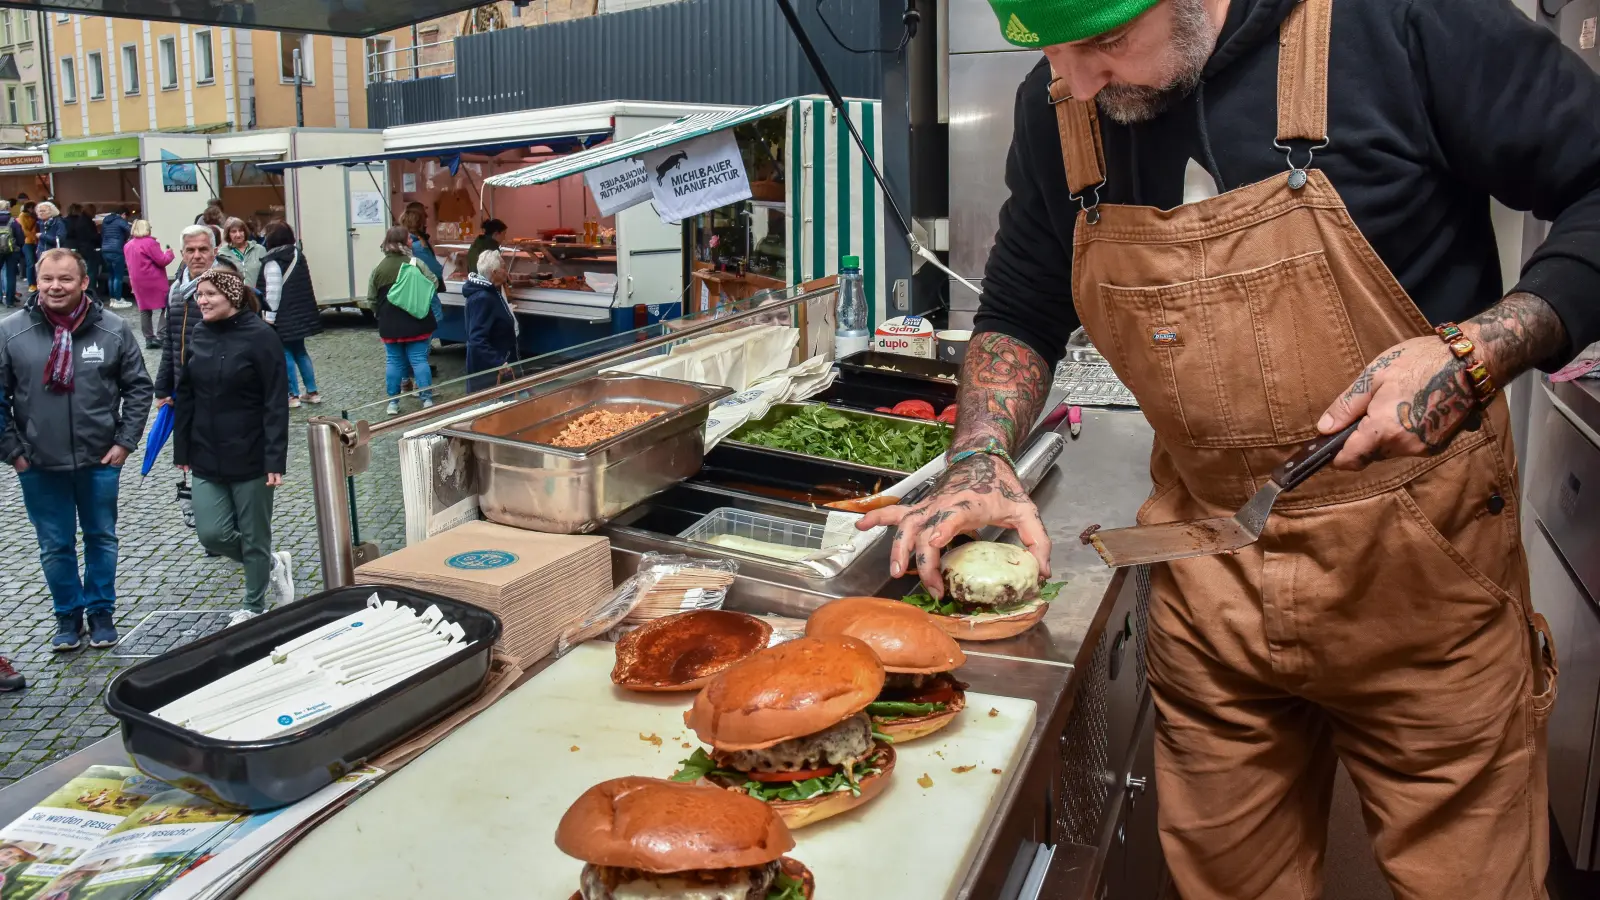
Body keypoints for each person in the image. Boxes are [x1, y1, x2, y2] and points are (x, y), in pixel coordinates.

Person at [868, 1, 1600, 896]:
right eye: (1050, 53)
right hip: (1211, 589)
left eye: (1102, 44)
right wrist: (981, 460)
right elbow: (1021, 306)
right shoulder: (1061, 102)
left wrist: (1479, 351)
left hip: (1424, 586)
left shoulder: (1401, 24)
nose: (1074, 82)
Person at [0, 248, 153, 651]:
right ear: (37, 281)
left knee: (101, 537)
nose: (55, 286)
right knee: (55, 545)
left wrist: (124, 442)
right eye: (47, 278)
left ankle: (101, 612)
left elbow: (138, 386)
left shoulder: (113, 329)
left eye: (65, 279)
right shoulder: (12, 330)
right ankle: (67, 616)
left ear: (84, 282)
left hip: (99, 458)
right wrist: (13, 450)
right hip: (37, 462)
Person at [174, 267, 291, 626]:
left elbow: (275, 401)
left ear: (233, 297)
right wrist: (182, 450)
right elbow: (187, 392)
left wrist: (275, 458)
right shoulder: (198, 332)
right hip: (206, 451)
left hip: (252, 453)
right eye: (199, 295)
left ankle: (253, 606)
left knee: (255, 535)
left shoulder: (261, 336)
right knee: (212, 532)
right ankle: (272, 563)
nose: (202, 301)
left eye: (210, 294)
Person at [369, 225, 437, 416]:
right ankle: (427, 399)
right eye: (408, 239)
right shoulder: (415, 263)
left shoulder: (379, 269)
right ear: (401, 243)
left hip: (390, 324)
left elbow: (371, 299)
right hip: (417, 321)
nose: (411, 242)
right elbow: (433, 283)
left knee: (394, 362)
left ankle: (393, 402)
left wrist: (381, 315)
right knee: (419, 360)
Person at [257, 222, 323, 408]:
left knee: (285, 354)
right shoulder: (297, 255)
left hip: (283, 317)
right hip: (300, 314)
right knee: (301, 352)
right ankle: (312, 391)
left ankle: (292, 395)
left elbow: (273, 292)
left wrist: (269, 318)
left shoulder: (273, 260)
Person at [155, 225, 220, 409]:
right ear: (183, 254)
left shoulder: (226, 290)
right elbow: (170, 341)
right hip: (182, 390)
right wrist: (162, 390)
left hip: (217, 393)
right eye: (190, 250)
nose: (196, 255)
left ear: (214, 252)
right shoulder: (176, 290)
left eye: (203, 249)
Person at [463, 248, 518, 392]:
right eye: (504, 268)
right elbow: (477, 338)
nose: (506, 272)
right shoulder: (483, 298)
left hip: (497, 365)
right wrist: (499, 363)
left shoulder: (492, 291)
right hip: (489, 373)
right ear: (494, 272)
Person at [124, 220, 176, 350]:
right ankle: (161, 335)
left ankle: (149, 338)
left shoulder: (128, 245)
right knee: (166, 306)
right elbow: (162, 261)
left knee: (144, 309)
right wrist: (169, 253)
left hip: (137, 281)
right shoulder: (151, 243)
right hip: (154, 280)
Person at [99, 204, 133, 309]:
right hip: (116, 250)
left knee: (111, 275)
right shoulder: (120, 221)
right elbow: (130, 231)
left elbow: (102, 233)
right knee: (118, 276)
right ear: (123, 214)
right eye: (126, 216)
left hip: (105, 249)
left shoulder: (105, 220)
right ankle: (118, 299)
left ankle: (112, 299)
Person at [220, 217, 265, 288]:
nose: (238, 235)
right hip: (234, 296)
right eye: (234, 231)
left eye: (241, 231)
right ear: (228, 234)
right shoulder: (222, 253)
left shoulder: (259, 249)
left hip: (257, 295)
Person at [0, 207, 22, 307]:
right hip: (12, 251)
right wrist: (18, 247)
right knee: (11, 276)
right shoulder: (13, 221)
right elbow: (20, 237)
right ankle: (10, 301)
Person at [18, 202, 36, 290]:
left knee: (35, 262)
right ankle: (31, 284)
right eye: (33, 208)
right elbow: (24, 230)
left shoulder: (35, 216)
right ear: (29, 208)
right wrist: (34, 238)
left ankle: (36, 282)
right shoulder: (22, 216)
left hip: (35, 241)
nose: (34, 209)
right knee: (30, 263)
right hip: (27, 242)